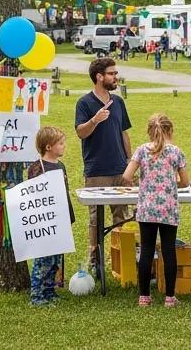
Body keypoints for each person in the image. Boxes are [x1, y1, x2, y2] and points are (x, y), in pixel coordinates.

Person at [123, 113, 189, 308]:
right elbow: (185, 181)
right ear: (170, 130)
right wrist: (171, 181)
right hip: (168, 208)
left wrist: (143, 182)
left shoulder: (142, 150)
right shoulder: (176, 152)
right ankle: (169, 297)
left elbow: (127, 176)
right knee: (168, 251)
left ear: (149, 131)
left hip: (147, 208)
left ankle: (144, 296)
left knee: (146, 250)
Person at [75, 57, 132, 269]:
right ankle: (95, 263)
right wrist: (94, 120)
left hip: (120, 169)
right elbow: (81, 132)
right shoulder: (85, 103)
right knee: (96, 220)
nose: (116, 77)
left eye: (116, 74)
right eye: (112, 74)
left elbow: (124, 132)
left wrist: (130, 161)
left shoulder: (118, 102)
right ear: (99, 77)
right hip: (97, 171)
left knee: (122, 218)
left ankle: (121, 262)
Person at [27, 126, 75, 306]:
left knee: (55, 260)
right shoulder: (37, 168)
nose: (64, 146)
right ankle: (37, 295)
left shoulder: (60, 166)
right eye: (60, 143)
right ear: (48, 147)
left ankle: (49, 290)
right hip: (44, 221)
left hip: (60, 219)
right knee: (43, 259)